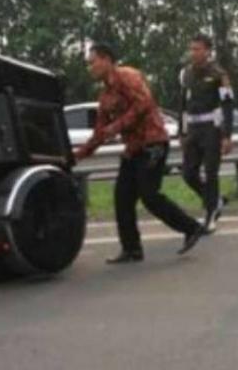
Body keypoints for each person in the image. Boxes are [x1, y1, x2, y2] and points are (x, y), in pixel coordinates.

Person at [75, 43, 206, 263]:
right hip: (133, 149)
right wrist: (77, 155)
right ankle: (132, 249)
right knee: (122, 199)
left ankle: (191, 228)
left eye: (92, 62)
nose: (90, 68)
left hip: (153, 143)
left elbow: (145, 103)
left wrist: (116, 126)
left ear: (106, 59)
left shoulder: (129, 76)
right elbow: (99, 133)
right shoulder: (105, 97)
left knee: (149, 195)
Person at [179, 34, 234, 233]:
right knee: (188, 174)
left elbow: (227, 104)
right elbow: (182, 105)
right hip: (192, 130)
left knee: (211, 173)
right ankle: (215, 200)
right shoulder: (185, 73)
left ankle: (210, 213)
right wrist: (181, 132)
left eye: (198, 49)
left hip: (212, 128)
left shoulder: (219, 74)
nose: (193, 53)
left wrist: (227, 135)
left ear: (207, 51)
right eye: (191, 49)